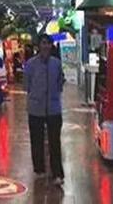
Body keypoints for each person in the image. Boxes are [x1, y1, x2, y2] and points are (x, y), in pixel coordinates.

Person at [24, 33, 65, 186]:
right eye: (43, 43)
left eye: (48, 43)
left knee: (55, 142)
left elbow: (60, 82)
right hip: (35, 108)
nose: (46, 46)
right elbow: (26, 85)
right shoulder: (30, 64)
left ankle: (57, 173)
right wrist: (36, 95)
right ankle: (39, 169)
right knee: (36, 140)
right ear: (38, 45)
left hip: (53, 108)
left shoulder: (56, 64)